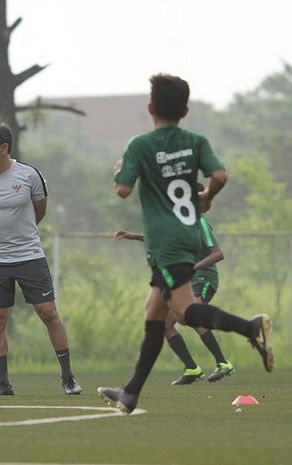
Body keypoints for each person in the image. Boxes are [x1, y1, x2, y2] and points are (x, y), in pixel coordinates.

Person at [98, 74, 273, 414]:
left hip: (165, 242)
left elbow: (122, 190)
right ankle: (130, 393)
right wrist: (206, 195)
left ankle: (251, 328)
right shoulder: (195, 141)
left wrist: (120, 169)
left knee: (185, 310)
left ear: (150, 108)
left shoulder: (139, 145)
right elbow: (219, 176)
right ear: (186, 110)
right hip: (189, 235)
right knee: (155, 314)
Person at [0, 122, 81, 396]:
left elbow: (39, 212)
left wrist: (19, 237)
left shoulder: (29, 175)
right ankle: (3, 384)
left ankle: (68, 377)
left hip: (29, 255)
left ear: (4, 148)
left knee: (48, 313)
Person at [115, 193, 235, 385]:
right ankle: (192, 368)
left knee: (192, 314)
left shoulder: (199, 223)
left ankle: (223, 363)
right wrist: (132, 235)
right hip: (188, 279)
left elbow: (218, 254)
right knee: (165, 323)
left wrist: (193, 267)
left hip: (205, 278)